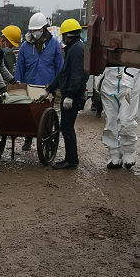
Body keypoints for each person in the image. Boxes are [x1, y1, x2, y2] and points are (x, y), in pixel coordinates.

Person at [39, 18, 88, 169]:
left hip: (72, 96)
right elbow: (63, 73)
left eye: (64, 35)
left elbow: (77, 75)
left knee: (66, 127)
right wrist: (49, 89)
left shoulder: (76, 50)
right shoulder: (74, 48)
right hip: (70, 94)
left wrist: (70, 96)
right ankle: (73, 158)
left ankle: (71, 160)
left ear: (67, 35)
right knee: (67, 127)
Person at [15, 12, 64, 150]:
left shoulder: (53, 44)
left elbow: (59, 66)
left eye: (37, 30)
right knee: (29, 113)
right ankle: (28, 138)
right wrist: (18, 84)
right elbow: (20, 66)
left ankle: (47, 139)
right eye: (32, 30)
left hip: (47, 85)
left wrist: (57, 85)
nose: (35, 33)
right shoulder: (25, 46)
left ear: (43, 29)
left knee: (46, 114)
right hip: (30, 85)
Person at [99, 64, 140, 169]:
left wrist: (129, 78)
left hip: (130, 81)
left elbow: (135, 55)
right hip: (108, 80)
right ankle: (114, 154)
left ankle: (129, 152)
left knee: (126, 120)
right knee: (110, 121)